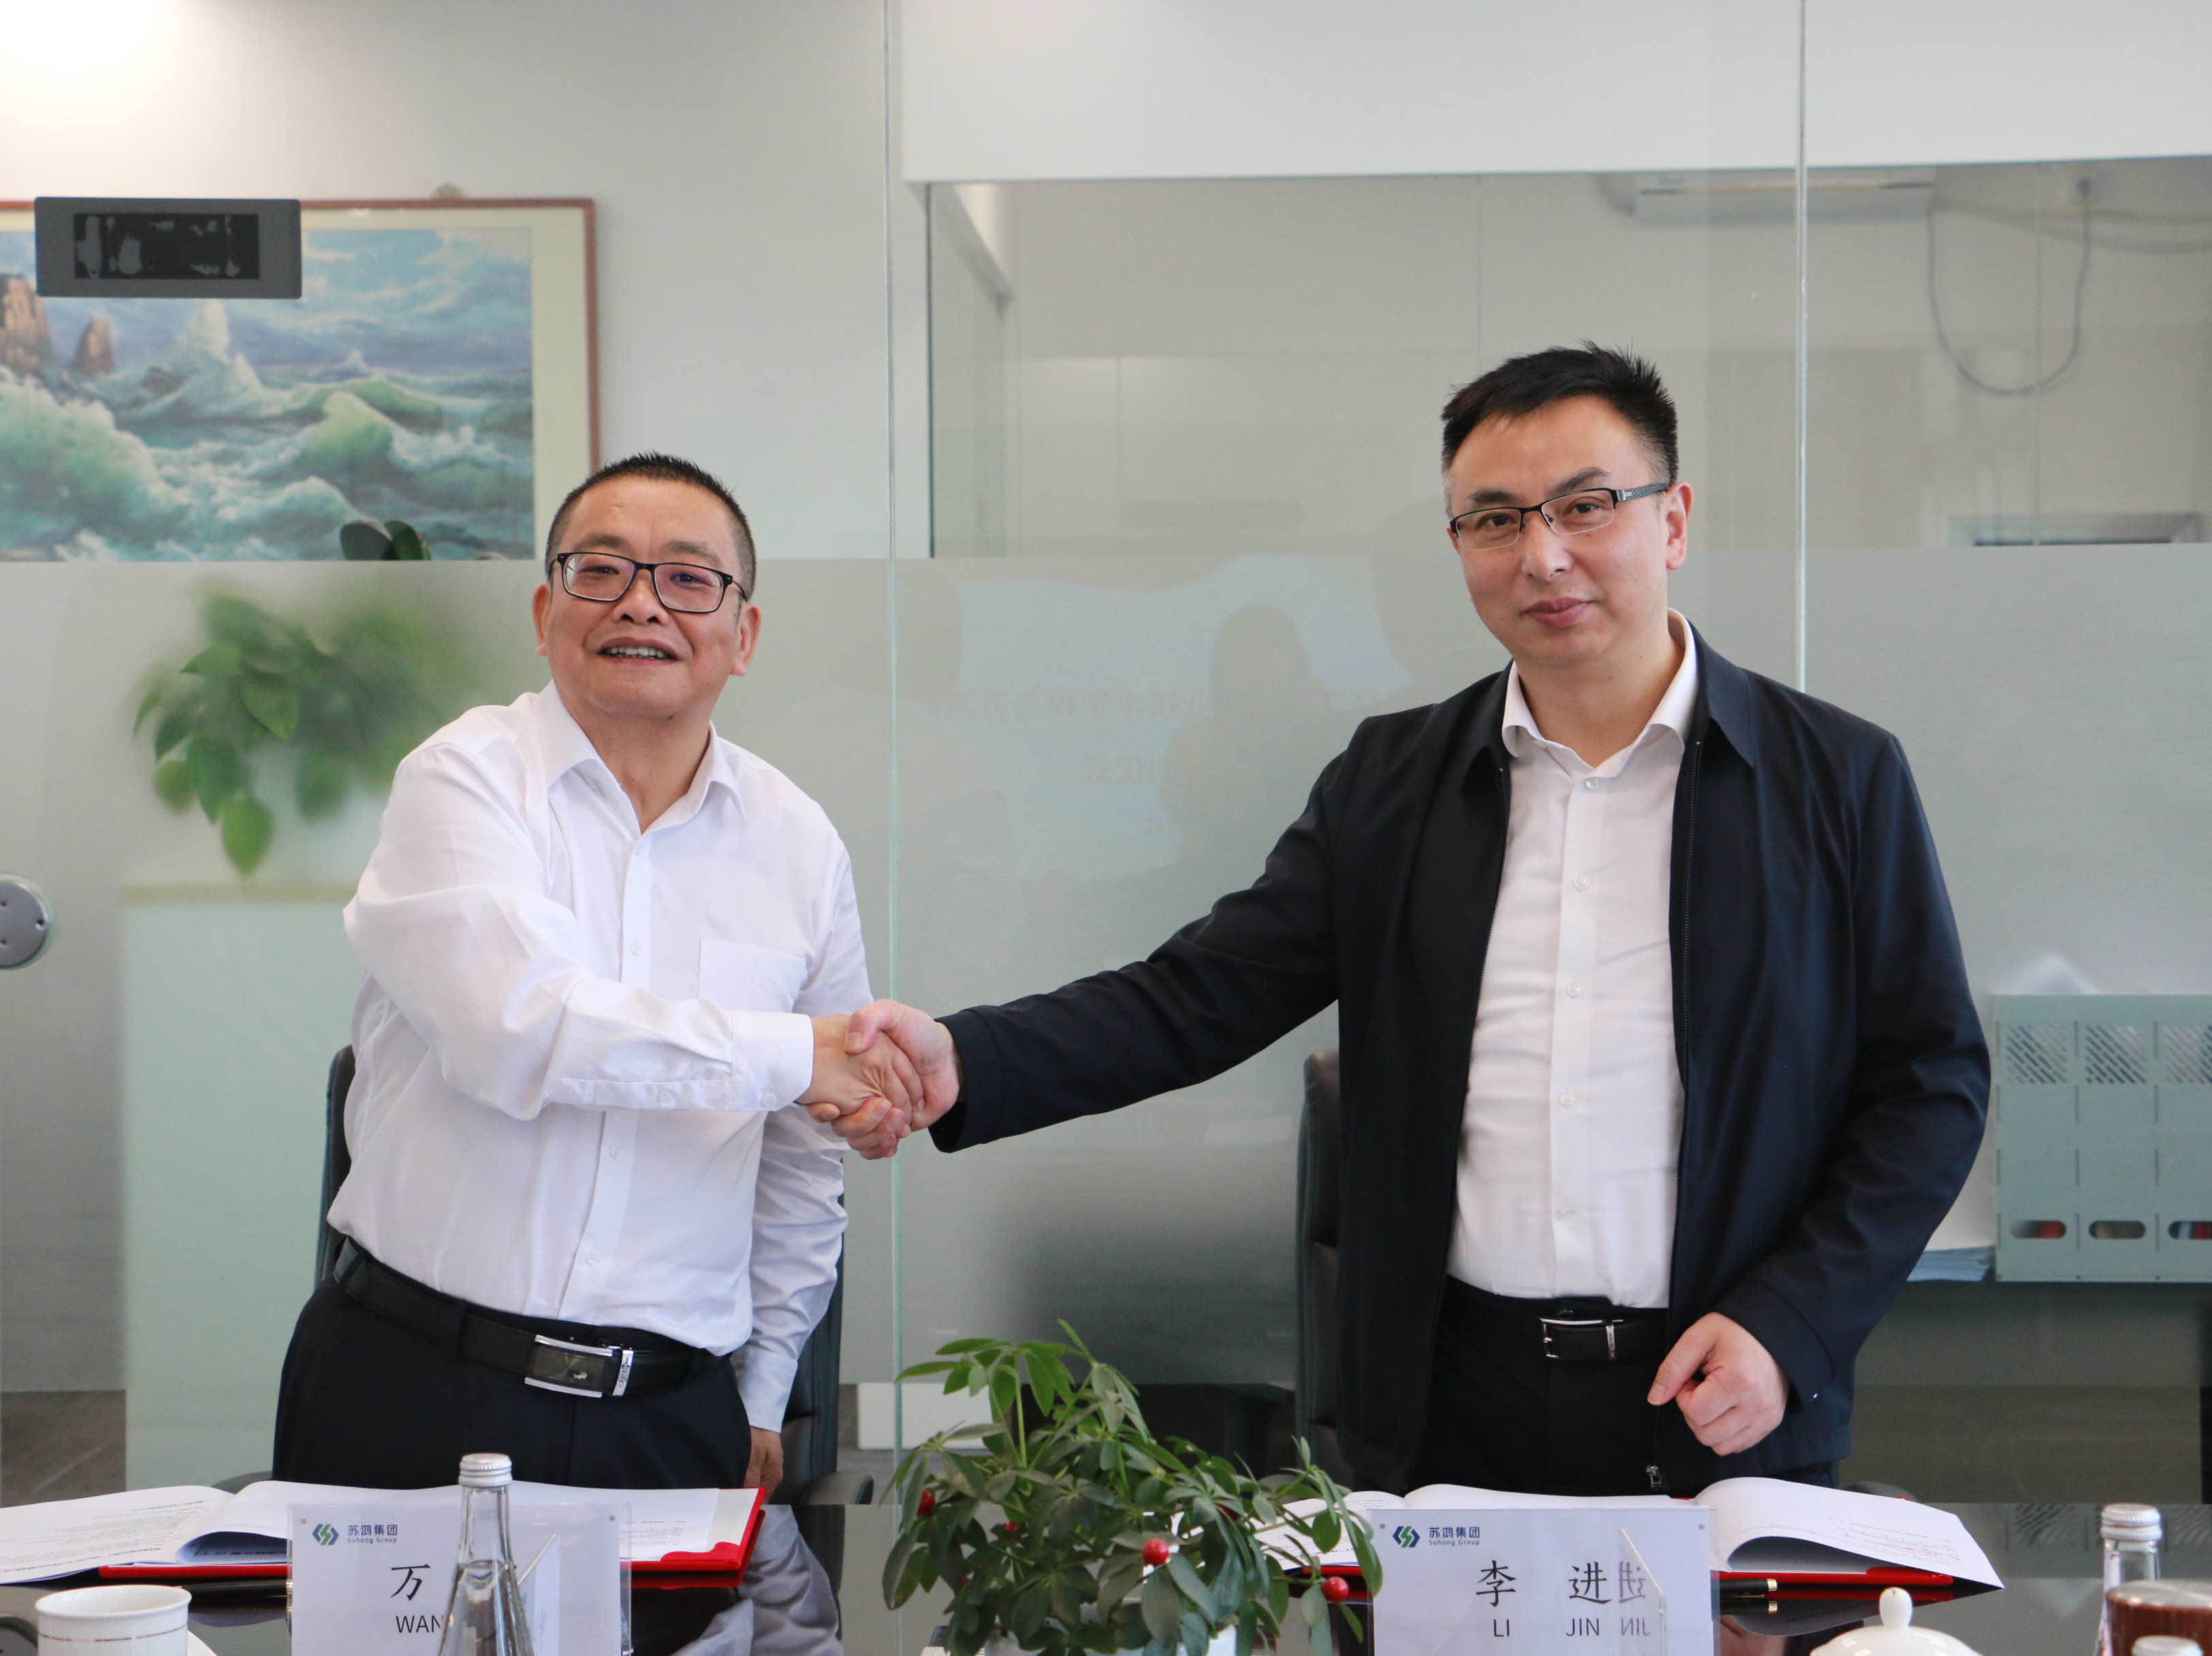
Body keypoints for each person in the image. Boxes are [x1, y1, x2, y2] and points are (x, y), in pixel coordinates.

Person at [823, 347, 1990, 1497]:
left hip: (1723, 1401)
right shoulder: (1395, 784)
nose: (1543, 555)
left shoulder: (1835, 778)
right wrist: (966, 1058)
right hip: (1452, 1415)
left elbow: (1929, 1085)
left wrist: (1794, 1323)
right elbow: (1197, 997)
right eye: (1495, 520)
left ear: (1673, 520)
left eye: (1586, 506)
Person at [272, 453, 917, 1492]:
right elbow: (520, 1028)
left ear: (744, 634)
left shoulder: (799, 843)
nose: (641, 604)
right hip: (415, 1380)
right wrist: (799, 1055)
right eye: (602, 570)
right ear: (545, 612)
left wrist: (764, 1390)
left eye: (689, 578)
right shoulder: (464, 777)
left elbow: (804, 1154)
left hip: (672, 1414)